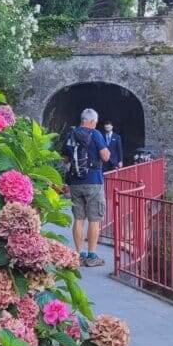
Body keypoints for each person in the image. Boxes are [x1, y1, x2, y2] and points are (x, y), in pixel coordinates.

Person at [63, 108, 110, 267]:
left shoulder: (71, 134)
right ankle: (91, 256)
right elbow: (104, 156)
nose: (95, 124)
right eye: (95, 122)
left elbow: (65, 159)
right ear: (91, 121)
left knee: (79, 219)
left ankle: (79, 254)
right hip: (93, 181)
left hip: (75, 182)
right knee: (94, 219)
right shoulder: (95, 134)